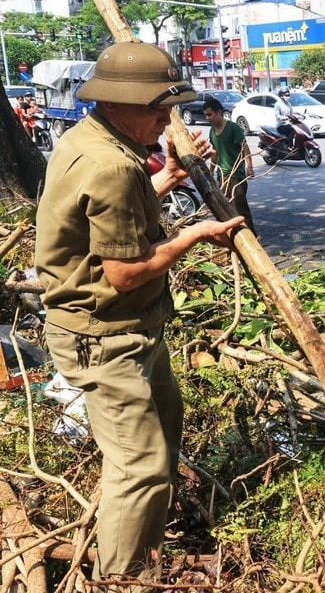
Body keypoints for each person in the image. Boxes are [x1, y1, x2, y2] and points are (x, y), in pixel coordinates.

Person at [35, 40, 244, 589]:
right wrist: (195, 234)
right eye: (157, 108)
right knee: (141, 467)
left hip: (127, 328)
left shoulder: (93, 140)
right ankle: (121, 580)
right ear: (120, 102)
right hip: (103, 336)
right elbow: (125, 271)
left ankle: (144, 542)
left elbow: (113, 222)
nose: (166, 119)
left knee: (164, 432)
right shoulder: (111, 165)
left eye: (169, 107)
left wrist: (170, 177)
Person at [204, 96, 256, 235]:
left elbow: (245, 147)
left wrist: (249, 167)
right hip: (222, 176)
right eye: (206, 115)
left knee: (240, 209)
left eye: (210, 114)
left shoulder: (233, 128)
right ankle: (235, 238)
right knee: (226, 209)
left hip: (236, 176)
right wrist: (211, 170)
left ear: (219, 112)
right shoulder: (212, 131)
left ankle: (252, 238)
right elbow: (215, 152)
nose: (208, 118)